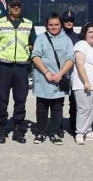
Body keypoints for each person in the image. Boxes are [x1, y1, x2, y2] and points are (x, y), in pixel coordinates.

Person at [0, 0, 36, 144]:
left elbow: (32, 44)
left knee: (20, 99)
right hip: (4, 66)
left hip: (21, 67)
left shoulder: (29, 24)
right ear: (9, 7)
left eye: (18, 5)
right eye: (13, 5)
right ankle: (1, 130)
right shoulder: (0, 22)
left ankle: (18, 130)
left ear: (21, 7)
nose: (16, 7)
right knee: (2, 98)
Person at [31, 13, 75, 145]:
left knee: (57, 107)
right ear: (46, 26)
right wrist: (46, 72)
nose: (53, 27)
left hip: (58, 80)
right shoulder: (40, 38)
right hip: (43, 79)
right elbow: (35, 56)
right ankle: (41, 132)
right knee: (42, 107)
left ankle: (55, 132)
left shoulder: (66, 39)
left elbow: (70, 59)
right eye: (51, 25)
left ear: (61, 25)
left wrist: (60, 74)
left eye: (56, 24)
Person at [71, 23, 93, 145]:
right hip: (83, 83)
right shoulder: (81, 45)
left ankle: (88, 131)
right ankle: (80, 133)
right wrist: (86, 81)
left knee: (92, 109)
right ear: (84, 34)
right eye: (90, 32)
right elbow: (79, 64)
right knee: (83, 109)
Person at [61, 10, 80, 136]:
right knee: (58, 102)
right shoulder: (58, 36)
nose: (69, 22)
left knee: (74, 102)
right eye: (67, 20)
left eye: (71, 20)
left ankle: (73, 126)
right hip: (60, 72)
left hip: (73, 73)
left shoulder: (78, 37)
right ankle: (58, 126)